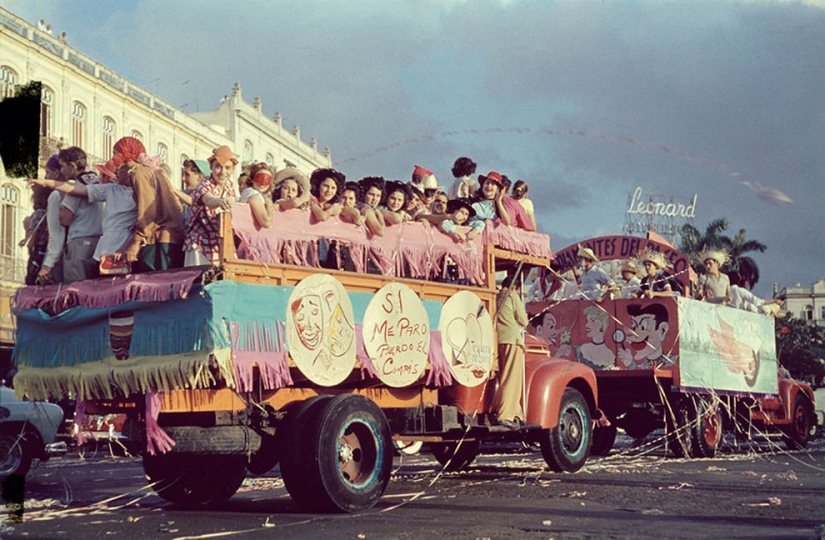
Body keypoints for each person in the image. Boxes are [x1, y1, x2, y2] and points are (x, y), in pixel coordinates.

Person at [110, 137, 185, 272]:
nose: (113, 158)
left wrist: (135, 242)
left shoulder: (139, 173)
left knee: (156, 286)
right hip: (169, 237)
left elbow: (147, 211)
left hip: (159, 240)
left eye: (115, 153)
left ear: (126, 154)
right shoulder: (152, 172)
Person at [183, 145, 238, 266]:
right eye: (218, 167)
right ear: (211, 167)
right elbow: (208, 199)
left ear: (232, 169)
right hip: (200, 242)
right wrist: (220, 202)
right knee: (199, 281)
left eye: (227, 168)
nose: (223, 172)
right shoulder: (204, 184)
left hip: (221, 241)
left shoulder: (229, 186)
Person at [57, 147, 103, 282]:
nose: (61, 171)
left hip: (79, 243)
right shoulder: (98, 183)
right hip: (99, 243)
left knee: (76, 290)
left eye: (63, 166)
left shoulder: (76, 188)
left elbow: (65, 219)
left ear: (72, 166)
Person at [494, 274, 528, 430]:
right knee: (512, 379)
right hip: (512, 339)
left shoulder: (497, 296)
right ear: (515, 287)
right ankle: (505, 415)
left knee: (505, 377)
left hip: (499, 339)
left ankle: (516, 413)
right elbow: (523, 320)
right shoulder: (512, 295)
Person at [37, 155, 66, 285]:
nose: (46, 177)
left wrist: (47, 265)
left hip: (59, 258)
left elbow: (56, 234)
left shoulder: (56, 196)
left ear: (56, 173)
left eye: (48, 172)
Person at [463, 171, 510, 241]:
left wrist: (499, 201)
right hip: (468, 235)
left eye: (493, 184)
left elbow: (507, 222)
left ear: (498, 189)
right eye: (487, 183)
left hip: (486, 241)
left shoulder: (497, 206)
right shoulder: (473, 202)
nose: (489, 186)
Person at [21, 180, 50, 286]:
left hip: (37, 253)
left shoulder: (38, 214)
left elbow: (30, 242)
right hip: (46, 252)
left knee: (31, 283)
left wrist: (27, 228)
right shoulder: (48, 213)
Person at [238, 163, 274, 229]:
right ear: (252, 179)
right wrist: (269, 204)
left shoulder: (256, 194)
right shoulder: (252, 194)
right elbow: (266, 223)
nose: (262, 183)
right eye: (259, 178)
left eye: (267, 179)